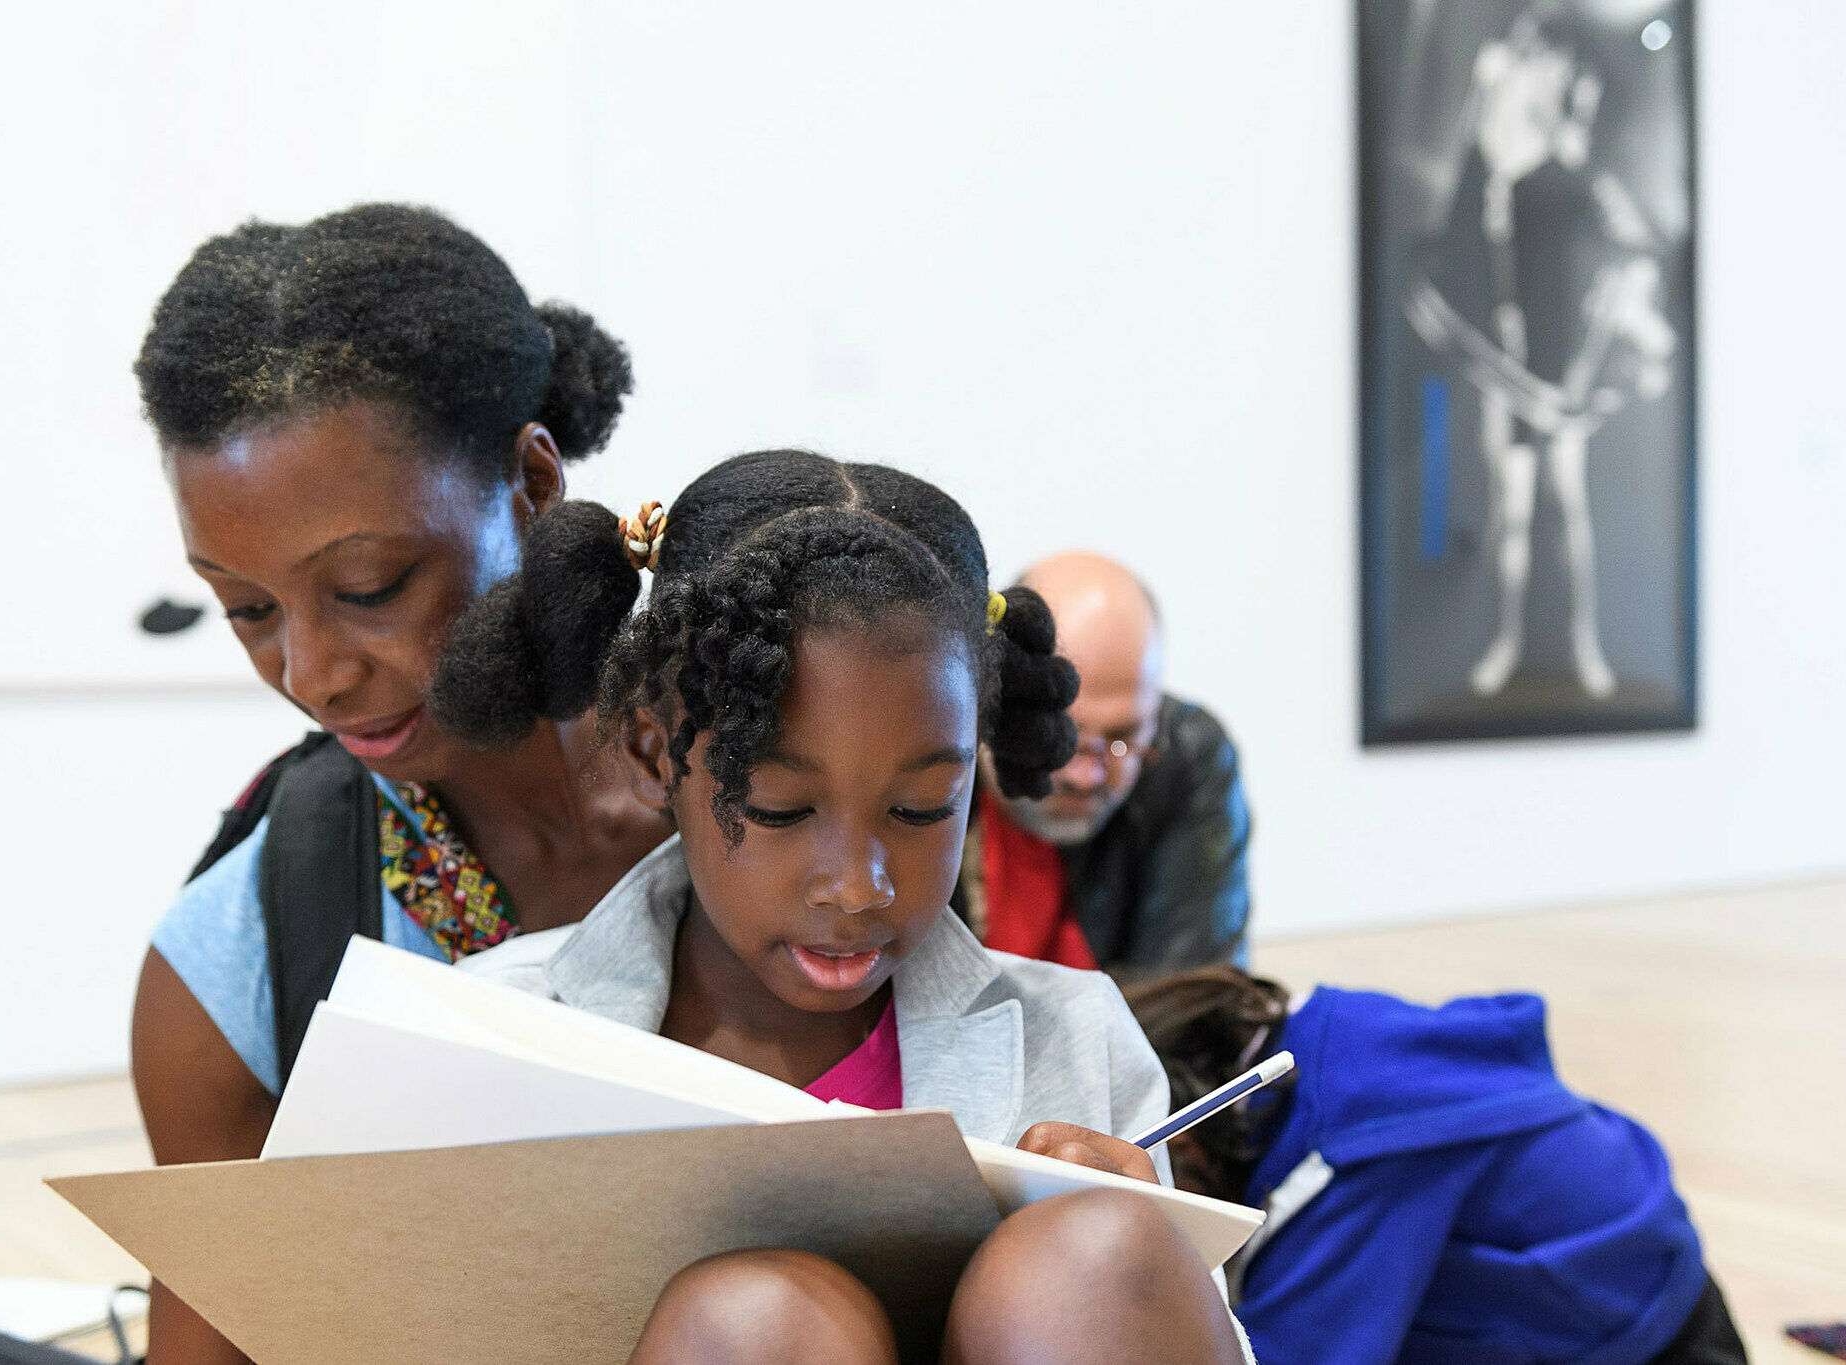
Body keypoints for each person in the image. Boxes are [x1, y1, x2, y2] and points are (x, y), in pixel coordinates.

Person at [434, 450, 1256, 1364]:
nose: (859, 886)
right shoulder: (488, 1034)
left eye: (922, 809)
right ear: (651, 752)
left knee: (1096, 1254)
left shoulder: (1076, 1040)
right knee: (756, 1323)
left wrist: (1154, 1270)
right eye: (782, 809)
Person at [129, 204, 674, 1365]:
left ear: (532, 482)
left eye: (369, 586)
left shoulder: (801, 806)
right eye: (247, 608)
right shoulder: (234, 970)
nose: (311, 673)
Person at [1125, 968, 1749, 1365]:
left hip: (1647, 1342)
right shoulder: (1335, 1049)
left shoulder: (1357, 1149)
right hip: (1652, 1281)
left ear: (1187, 1143)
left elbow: (1293, 1352)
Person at [960, 551, 1251, 979]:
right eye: (1061, 735)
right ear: (995, 693)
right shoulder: (930, 752)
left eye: (1123, 738)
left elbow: (1194, 994)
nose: (1087, 776)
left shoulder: (1187, 756)